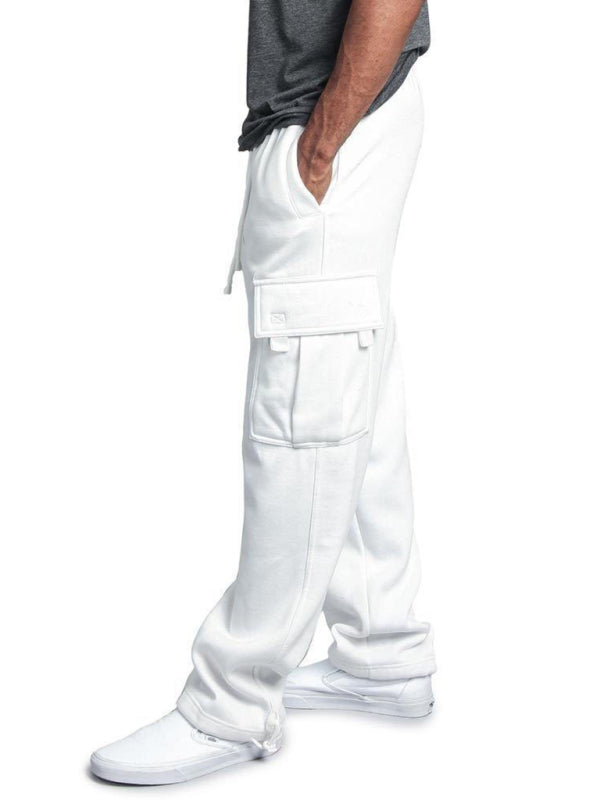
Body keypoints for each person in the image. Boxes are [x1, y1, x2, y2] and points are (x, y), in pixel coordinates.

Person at [91, 0, 436, 785]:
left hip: (336, 118)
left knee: (303, 415)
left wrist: (322, 140)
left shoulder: (329, 130)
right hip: (340, 113)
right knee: (350, 387)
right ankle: (382, 648)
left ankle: (231, 704)